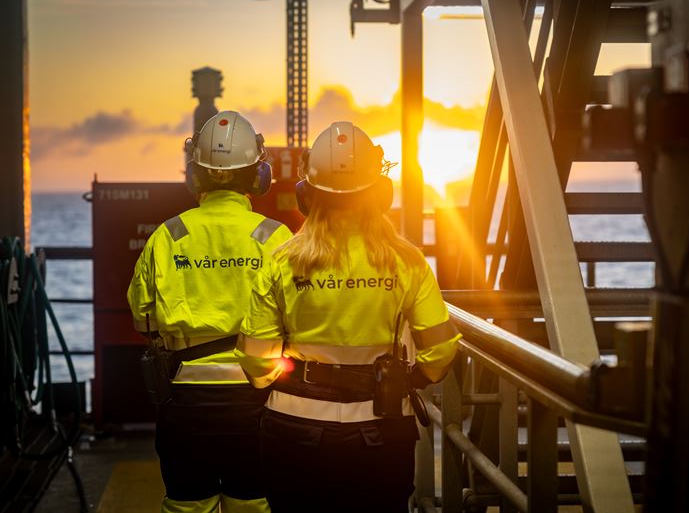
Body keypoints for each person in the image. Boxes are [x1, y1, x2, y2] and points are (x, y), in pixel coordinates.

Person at [236, 121, 462, 513]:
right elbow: (440, 350)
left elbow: (256, 358)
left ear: (307, 194)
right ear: (380, 193)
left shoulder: (281, 261)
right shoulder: (407, 261)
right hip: (381, 429)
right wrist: (412, 379)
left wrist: (284, 379)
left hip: (294, 428)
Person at [127, 111, 292, 513]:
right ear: (258, 175)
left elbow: (140, 315)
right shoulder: (275, 237)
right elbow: (298, 318)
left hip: (183, 402)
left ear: (195, 175)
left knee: (186, 504)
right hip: (258, 399)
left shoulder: (169, 235)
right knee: (253, 504)